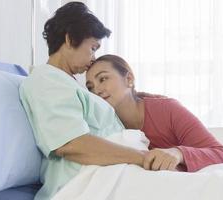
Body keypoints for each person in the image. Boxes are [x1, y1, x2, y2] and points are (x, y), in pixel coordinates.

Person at [19, 2, 149, 200]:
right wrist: (141, 158)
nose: (93, 58)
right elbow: (72, 144)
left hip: (112, 173)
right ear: (70, 39)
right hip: (85, 184)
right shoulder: (47, 80)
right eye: (93, 48)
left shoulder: (69, 83)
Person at [85, 54, 223, 172]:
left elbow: (222, 155)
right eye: (90, 87)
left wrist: (178, 153)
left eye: (103, 79)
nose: (96, 90)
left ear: (129, 79)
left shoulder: (167, 109)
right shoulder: (101, 126)